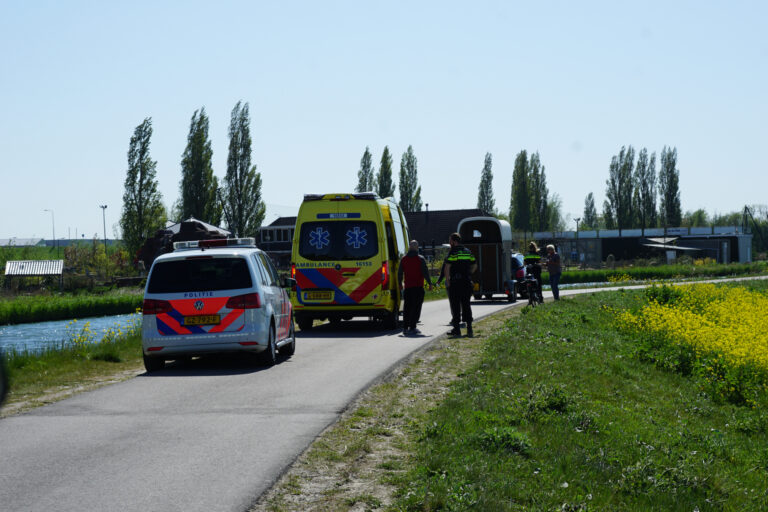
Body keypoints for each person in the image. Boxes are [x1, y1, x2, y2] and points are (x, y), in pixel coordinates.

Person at [444, 232, 477, 337]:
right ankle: (469, 329)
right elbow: (475, 265)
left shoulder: (453, 252)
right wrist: (469, 274)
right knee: (466, 305)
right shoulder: (468, 252)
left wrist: (448, 281)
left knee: (455, 306)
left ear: (454, 241)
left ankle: (457, 330)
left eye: (450, 241)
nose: (449, 243)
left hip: (455, 283)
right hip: (466, 282)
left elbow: (447, 267)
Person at [398, 240, 433, 335]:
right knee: (416, 308)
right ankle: (412, 327)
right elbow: (425, 272)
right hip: (418, 287)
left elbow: (400, 272)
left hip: (408, 287)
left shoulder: (403, 259)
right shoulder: (420, 259)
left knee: (407, 308)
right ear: (417, 247)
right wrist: (430, 283)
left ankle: (405, 328)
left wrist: (399, 284)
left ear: (409, 247)